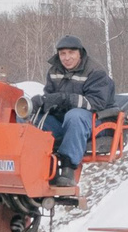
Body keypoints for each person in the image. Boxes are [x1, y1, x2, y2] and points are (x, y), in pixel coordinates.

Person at [34, 36, 116, 187]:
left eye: (71, 53)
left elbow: (97, 102)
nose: (67, 58)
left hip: (94, 121)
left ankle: (68, 168)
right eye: (63, 53)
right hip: (64, 120)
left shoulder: (95, 72)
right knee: (33, 119)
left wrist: (65, 99)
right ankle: (38, 166)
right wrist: (41, 103)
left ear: (80, 53)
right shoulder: (54, 71)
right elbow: (51, 96)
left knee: (75, 115)